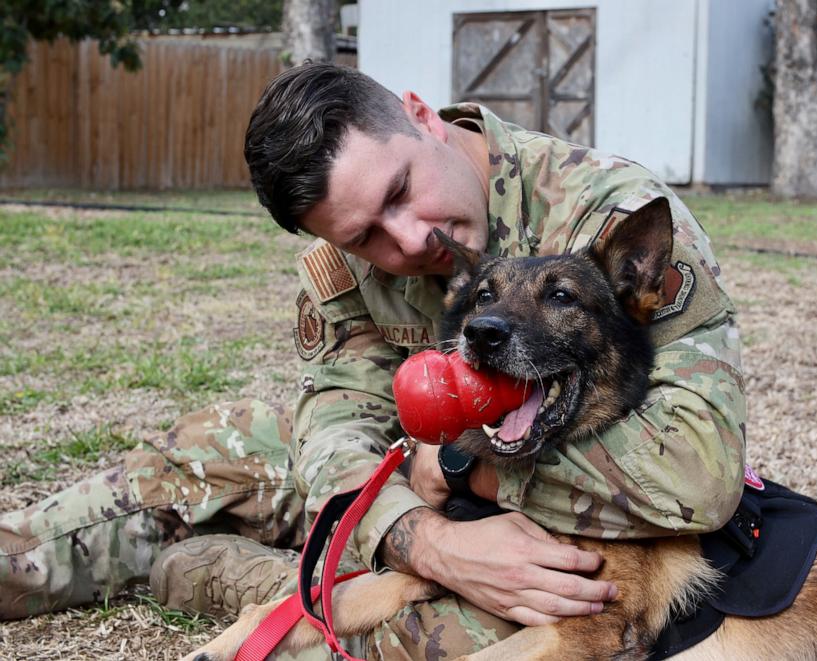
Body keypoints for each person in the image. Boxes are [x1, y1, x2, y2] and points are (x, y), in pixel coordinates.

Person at [0, 63, 745, 659]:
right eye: (366, 236)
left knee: (438, 635)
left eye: (401, 190)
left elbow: (700, 471)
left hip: (549, 484)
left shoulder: (607, 209)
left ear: (422, 116)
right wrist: (425, 540)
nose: (410, 239)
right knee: (191, 461)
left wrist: (462, 470)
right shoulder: (341, 266)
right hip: (400, 478)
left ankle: (233, 574)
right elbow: (330, 433)